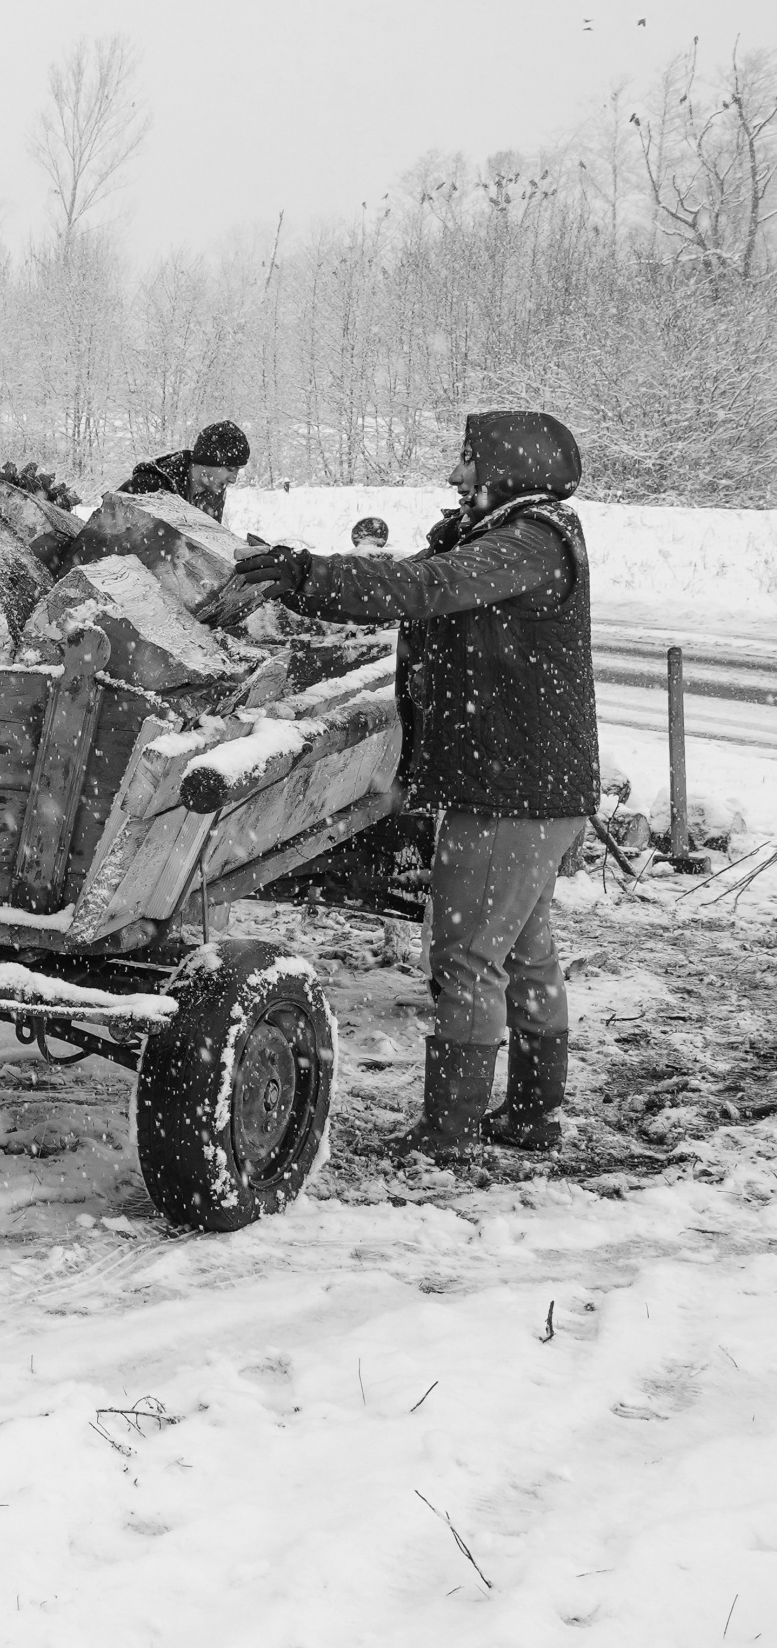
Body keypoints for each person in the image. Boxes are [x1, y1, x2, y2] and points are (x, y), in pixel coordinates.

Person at [230, 411, 596, 1159]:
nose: (456, 475)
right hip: (533, 788)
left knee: (465, 961)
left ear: (510, 470)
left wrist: (307, 574)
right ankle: (530, 1113)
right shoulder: (530, 534)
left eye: (469, 461)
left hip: (507, 793)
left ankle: (448, 1133)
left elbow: (427, 589)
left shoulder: (529, 542)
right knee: (524, 955)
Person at [118, 419, 250, 521]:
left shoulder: (214, 492)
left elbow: (205, 548)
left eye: (238, 470)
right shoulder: (149, 485)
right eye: (230, 469)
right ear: (208, 461)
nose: (233, 479)